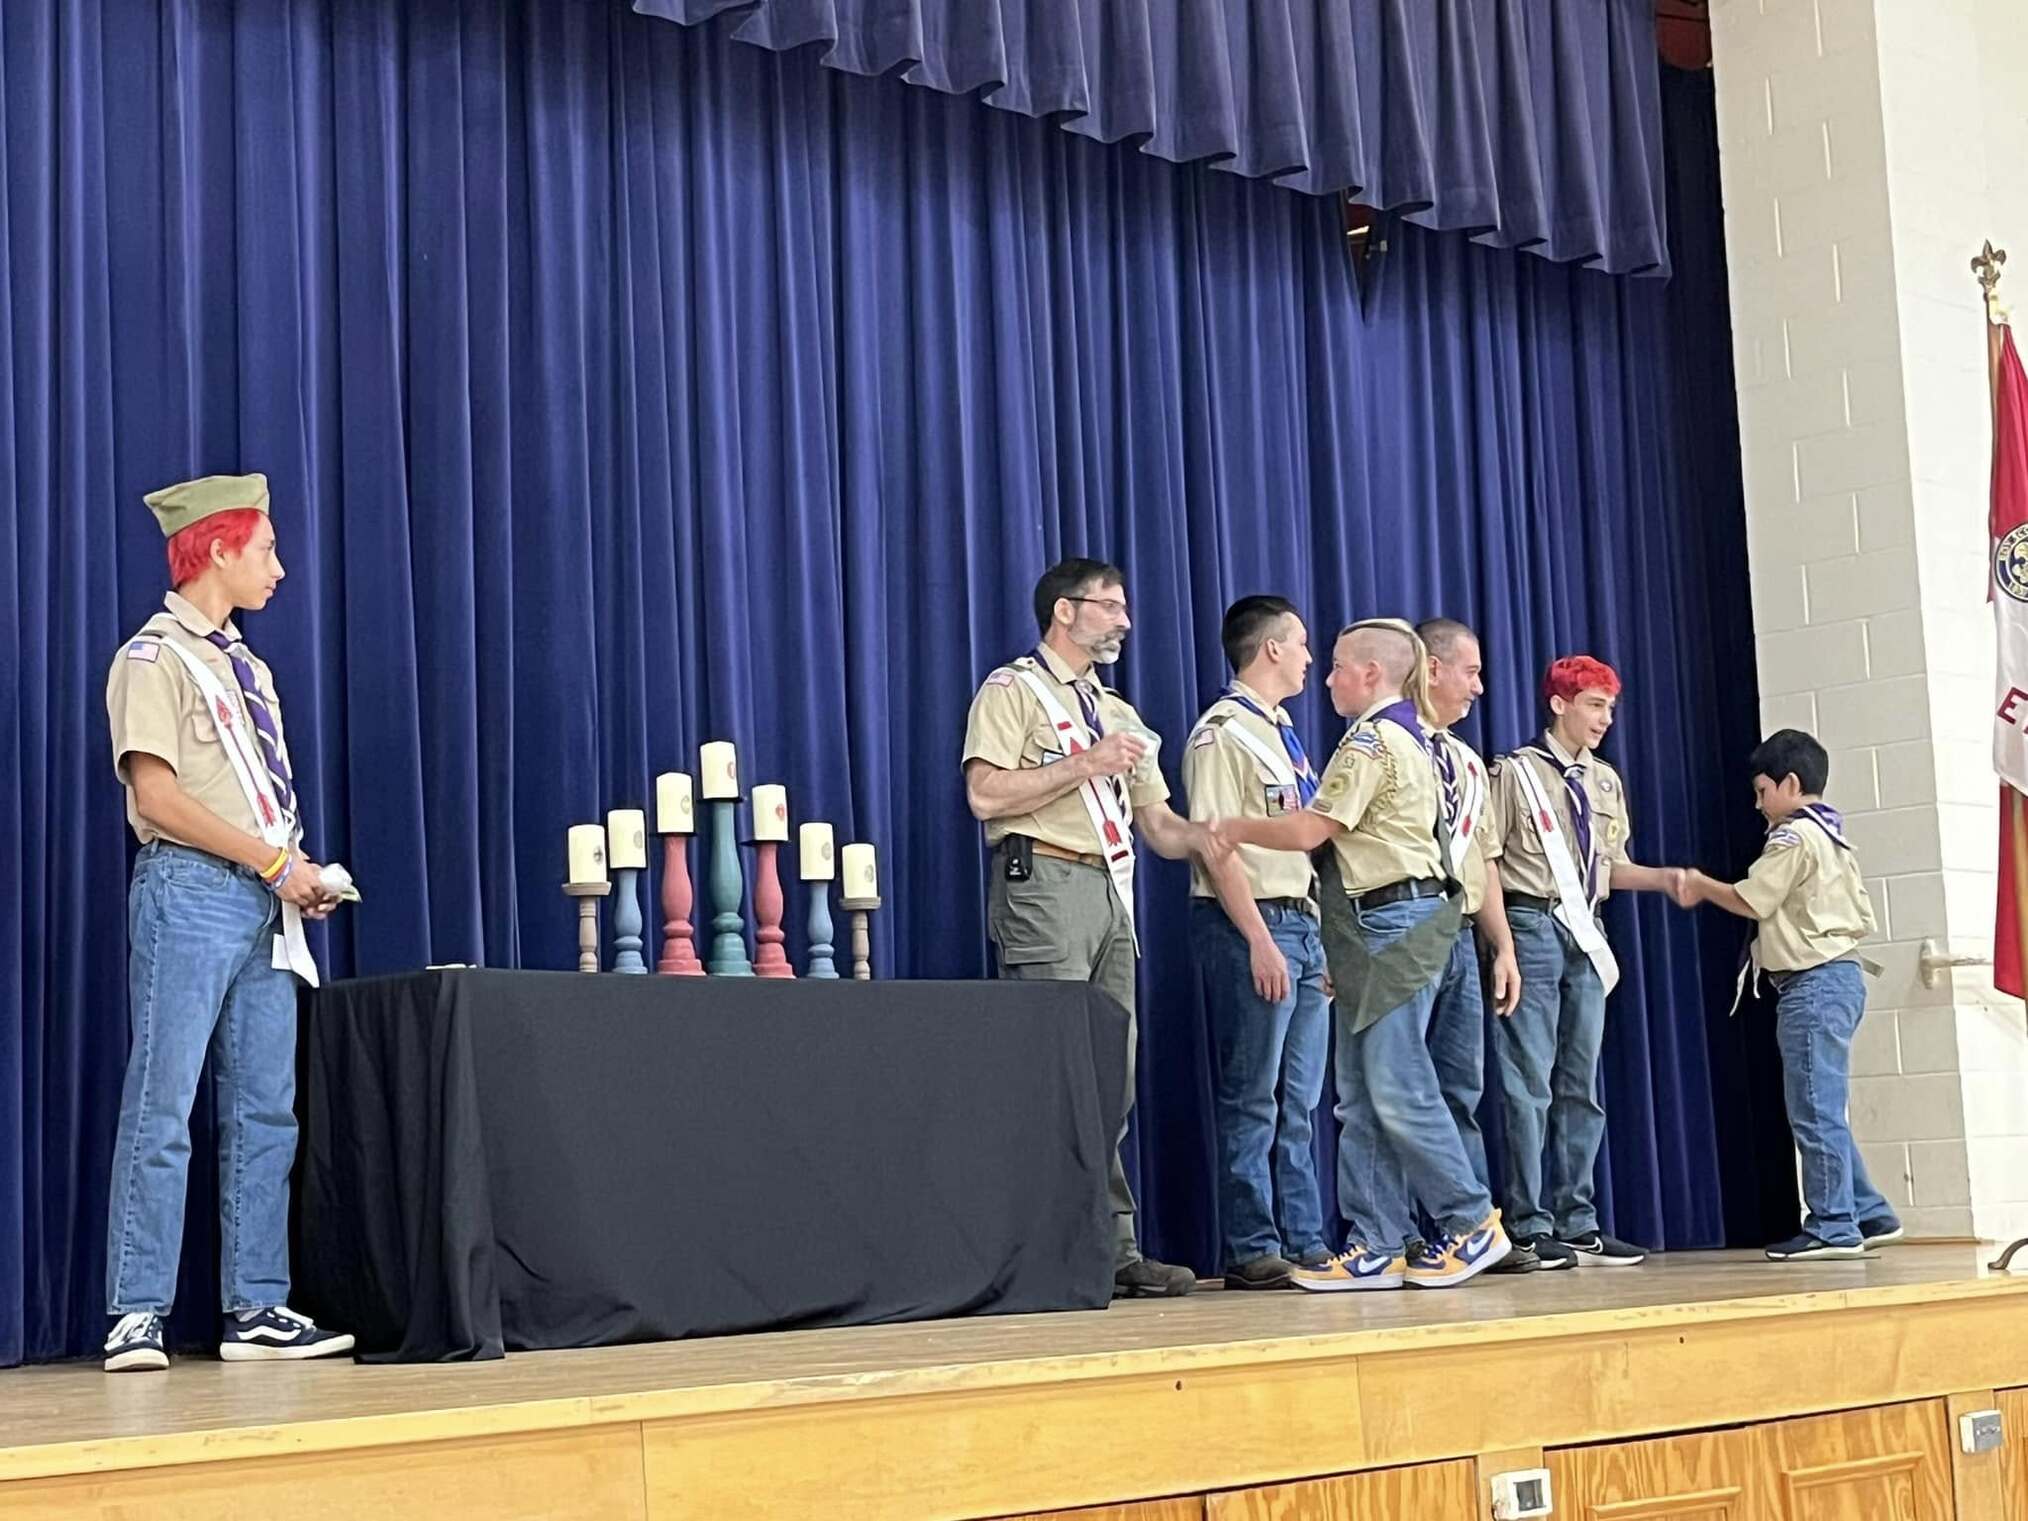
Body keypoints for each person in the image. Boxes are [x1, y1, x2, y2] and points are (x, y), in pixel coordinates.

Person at [101, 473, 352, 1372]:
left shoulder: (251, 668)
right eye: (267, 550)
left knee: (264, 1108)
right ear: (217, 548)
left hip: (263, 900)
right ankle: (136, 1309)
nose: (280, 568)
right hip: (191, 890)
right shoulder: (154, 658)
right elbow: (158, 796)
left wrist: (295, 873)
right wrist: (268, 859)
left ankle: (258, 1303)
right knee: (164, 1100)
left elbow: (250, 796)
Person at [1210, 620, 1511, 1291]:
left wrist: (1236, 826)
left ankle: (1470, 1219)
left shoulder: (1375, 739)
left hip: (1393, 924)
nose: (1328, 676)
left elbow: (1316, 827)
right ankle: (1376, 1238)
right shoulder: (1420, 741)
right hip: (1374, 924)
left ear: (1372, 673)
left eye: (1340, 665)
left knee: (1397, 1081)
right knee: (1363, 1094)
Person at [962, 557, 1223, 1298]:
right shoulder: (1013, 690)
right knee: (1055, 1068)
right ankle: (1049, 1249)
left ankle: (1114, 1246)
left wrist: (1213, 835)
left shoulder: (1119, 712)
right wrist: (1085, 763)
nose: (1123, 620)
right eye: (1108, 605)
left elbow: (1159, 826)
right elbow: (984, 794)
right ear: (1064, 612)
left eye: (1123, 605)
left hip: (1115, 891)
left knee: (1113, 1072)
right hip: (1045, 878)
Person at [1488, 655, 1684, 1268]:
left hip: (1587, 928)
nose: (1605, 719)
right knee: (1529, 1080)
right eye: (1595, 705)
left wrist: (1667, 879)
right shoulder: (1514, 774)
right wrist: (1501, 945)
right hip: (1530, 921)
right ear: (1559, 704)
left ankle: (1578, 1218)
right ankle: (1527, 1220)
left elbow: (1609, 867)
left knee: (1581, 1080)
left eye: (1610, 707)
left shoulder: (1604, 782)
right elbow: (1488, 857)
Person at [1680, 729, 1903, 1261]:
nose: (1759, 805)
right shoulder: (1832, 834)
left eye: (1762, 791)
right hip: (1841, 977)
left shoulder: (1792, 836)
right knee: (1822, 1104)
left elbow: (1753, 900)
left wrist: (1698, 884)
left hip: (1814, 983)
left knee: (1813, 1108)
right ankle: (1867, 1210)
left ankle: (1833, 1225)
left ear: (1791, 783)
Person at [1183, 596, 1332, 1290]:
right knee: (1254, 1093)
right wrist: (1259, 939)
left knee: (1301, 1095)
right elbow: (1219, 847)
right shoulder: (1223, 733)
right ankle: (1252, 1242)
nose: (1309, 656)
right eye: (1300, 643)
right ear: (1270, 648)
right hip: (1252, 922)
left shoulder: (1281, 733)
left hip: (1302, 919)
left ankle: (1304, 1234)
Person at [1414, 619, 1543, 1271]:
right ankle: (1415, 1228)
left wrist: (1505, 945)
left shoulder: (1466, 761)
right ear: (1432, 667)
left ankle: (1469, 1227)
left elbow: (1485, 860)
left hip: (1462, 936)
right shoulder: (1390, 742)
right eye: (1470, 671)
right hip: (1406, 930)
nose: (1480, 687)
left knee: (1460, 1085)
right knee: (1402, 1083)